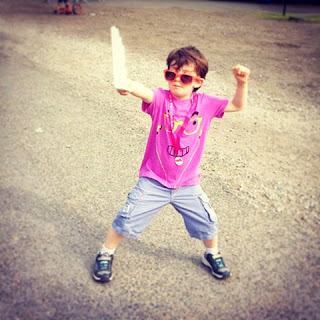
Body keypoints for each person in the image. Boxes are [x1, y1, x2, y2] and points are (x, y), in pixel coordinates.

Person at [93, 46, 250, 283]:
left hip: (188, 184)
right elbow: (143, 91)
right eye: (171, 75)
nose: (176, 81)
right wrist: (129, 86)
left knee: (208, 221)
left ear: (198, 82)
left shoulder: (205, 104)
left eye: (185, 77)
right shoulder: (160, 99)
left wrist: (242, 83)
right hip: (154, 181)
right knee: (126, 218)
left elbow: (237, 106)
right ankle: (106, 253)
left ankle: (212, 253)